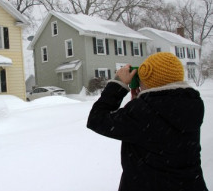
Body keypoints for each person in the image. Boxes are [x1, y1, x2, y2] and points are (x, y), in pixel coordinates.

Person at [87, 52, 208, 191]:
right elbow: (157, 124)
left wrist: (118, 84)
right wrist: (141, 101)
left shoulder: (143, 112)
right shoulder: (192, 103)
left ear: (149, 78)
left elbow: (96, 119)